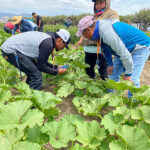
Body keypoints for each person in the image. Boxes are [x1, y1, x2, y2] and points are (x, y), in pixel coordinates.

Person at [76, 16, 150, 94]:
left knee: (132, 79)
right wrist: (110, 64)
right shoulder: (99, 29)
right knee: (112, 76)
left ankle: (133, 105)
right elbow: (104, 47)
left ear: (88, 30)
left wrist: (128, 74)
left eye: (84, 35)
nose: (85, 37)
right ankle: (109, 97)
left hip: (140, 47)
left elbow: (125, 55)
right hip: (123, 49)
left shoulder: (107, 33)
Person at [1, 29, 71, 90]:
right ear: (60, 40)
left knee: (34, 72)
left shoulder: (48, 39)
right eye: (64, 46)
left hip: (15, 49)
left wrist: (56, 67)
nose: (63, 48)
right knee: (36, 76)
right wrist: (56, 72)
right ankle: (32, 102)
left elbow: (41, 62)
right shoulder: (48, 44)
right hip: (11, 50)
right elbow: (41, 66)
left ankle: (28, 95)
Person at [77, 0, 119, 80]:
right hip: (89, 48)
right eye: (96, 3)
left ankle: (106, 88)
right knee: (89, 68)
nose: (98, 5)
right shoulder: (94, 16)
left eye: (101, 3)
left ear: (107, 3)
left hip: (102, 49)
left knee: (103, 69)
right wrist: (81, 39)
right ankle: (91, 85)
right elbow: (85, 29)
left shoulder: (112, 13)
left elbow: (114, 29)